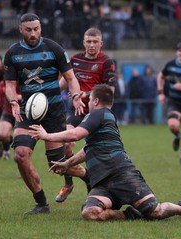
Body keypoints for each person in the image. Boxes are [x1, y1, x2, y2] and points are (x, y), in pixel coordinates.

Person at [28, 84, 181, 221]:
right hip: (103, 182)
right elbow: (88, 149)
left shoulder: (99, 114)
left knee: (155, 211)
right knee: (90, 213)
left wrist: (46, 135)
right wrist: (67, 164)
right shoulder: (102, 117)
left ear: (96, 101)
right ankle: (130, 215)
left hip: (122, 174)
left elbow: (74, 135)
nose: (88, 103)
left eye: (89, 100)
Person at [3, 13, 84, 215]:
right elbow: (10, 85)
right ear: (21, 29)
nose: (33, 33)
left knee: (56, 165)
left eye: (36, 29)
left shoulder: (54, 48)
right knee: (21, 155)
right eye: (29, 29)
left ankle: (89, 177)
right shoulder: (13, 53)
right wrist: (13, 101)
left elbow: (71, 78)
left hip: (54, 113)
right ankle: (41, 203)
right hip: (28, 112)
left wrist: (75, 96)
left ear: (41, 28)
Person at [56, 27, 116, 203]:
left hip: (97, 112)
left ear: (101, 43)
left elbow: (109, 92)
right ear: (83, 42)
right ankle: (69, 184)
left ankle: (98, 187)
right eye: (88, 41)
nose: (91, 45)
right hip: (76, 109)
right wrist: (43, 95)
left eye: (95, 41)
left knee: (96, 152)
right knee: (67, 144)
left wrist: (87, 94)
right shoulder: (75, 60)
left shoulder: (107, 62)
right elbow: (62, 84)